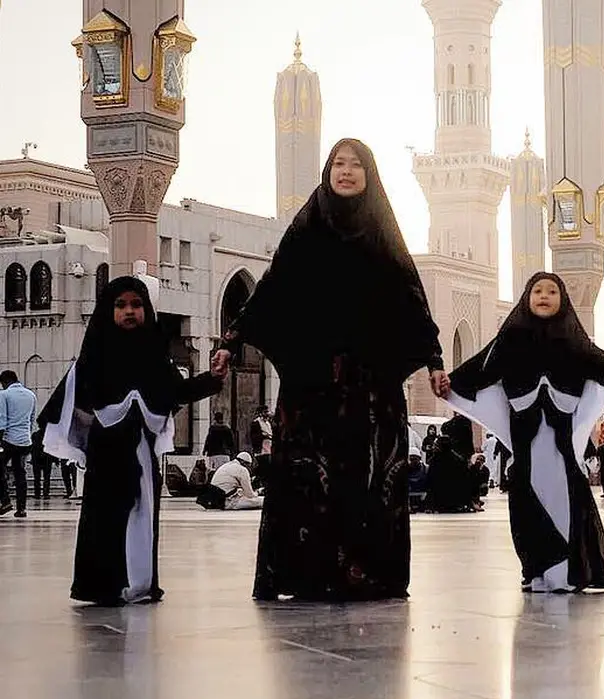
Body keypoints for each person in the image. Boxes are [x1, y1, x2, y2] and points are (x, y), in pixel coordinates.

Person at [209, 138, 449, 602]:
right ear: (327, 171)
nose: (346, 171)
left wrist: (434, 360)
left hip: (369, 385)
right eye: (338, 163)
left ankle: (368, 575)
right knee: (308, 478)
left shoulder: (382, 231)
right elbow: (272, 287)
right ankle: (305, 573)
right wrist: (231, 340)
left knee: (369, 476)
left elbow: (411, 296)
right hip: (312, 384)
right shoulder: (307, 229)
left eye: (356, 165)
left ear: (369, 175)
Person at [445, 272, 604, 593]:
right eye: (537, 290)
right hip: (526, 445)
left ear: (563, 299)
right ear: (526, 297)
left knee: (563, 501)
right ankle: (536, 569)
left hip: (560, 449)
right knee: (527, 503)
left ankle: (566, 573)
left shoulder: (574, 342)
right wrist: (448, 382)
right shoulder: (510, 341)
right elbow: (480, 368)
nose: (544, 295)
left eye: (552, 291)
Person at [41, 277, 222, 604]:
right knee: (109, 515)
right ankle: (105, 585)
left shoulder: (155, 354)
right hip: (108, 450)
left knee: (143, 513)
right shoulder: (96, 352)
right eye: (121, 305)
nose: (129, 311)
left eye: (136, 305)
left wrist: (212, 380)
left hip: (141, 449)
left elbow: (174, 393)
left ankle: (141, 583)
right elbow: (74, 395)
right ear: (108, 311)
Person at [0, 370, 37, 517]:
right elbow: (32, 420)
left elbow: (2, 420)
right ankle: (21, 509)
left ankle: (5, 500)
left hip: (9, 440)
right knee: (20, 472)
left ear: (5, 381)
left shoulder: (4, 395)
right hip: (25, 441)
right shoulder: (31, 395)